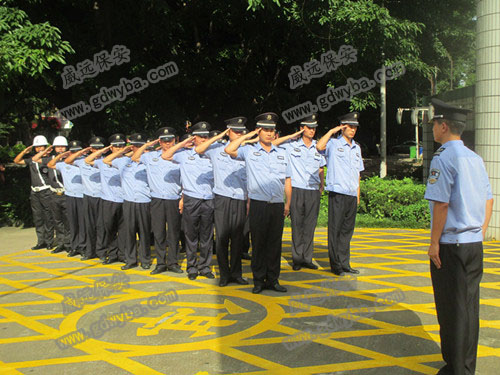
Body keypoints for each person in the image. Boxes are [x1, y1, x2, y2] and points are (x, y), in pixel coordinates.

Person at [424, 98, 493, 375]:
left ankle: (457, 368)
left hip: (451, 246)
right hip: (473, 244)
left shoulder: (443, 158)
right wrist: (480, 230)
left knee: (452, 308)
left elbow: (441, 204)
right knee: (468, 307)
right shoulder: (475, 158)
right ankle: (464, 365)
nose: (432, 129)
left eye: (433, 124)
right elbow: (489, 200)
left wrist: (433, 244)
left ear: (443, 126)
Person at [225, 112, 292, 294]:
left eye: (272, 130)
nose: (269, 133)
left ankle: (273, 279)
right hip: (258, 204)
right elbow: (229, 150)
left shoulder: (282, 154)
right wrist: (247, 136)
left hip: (277, 204)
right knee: (259, 243)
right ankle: (258, 280)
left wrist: (287, 204)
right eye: (265, 130)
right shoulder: (249, 150)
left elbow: (287, 180)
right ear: (259, 131)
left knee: (274, 244)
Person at [195, 117, 249, 287]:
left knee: (238, 239)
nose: (239, 134)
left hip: (240, 198)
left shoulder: (247, 150)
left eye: (241, 131)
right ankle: (224, 274)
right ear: (228, 131)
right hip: (222, 198)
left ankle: (236, 273)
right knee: (222, 238)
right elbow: (199, 149)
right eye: (235, 131)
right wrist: (219, 137)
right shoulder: (216, 149)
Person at [162, 122, 215, 280]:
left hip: (209, 199)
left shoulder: (213, 153)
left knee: (207, 236)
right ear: (194, 138)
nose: (204, 139)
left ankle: (205, 267)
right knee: (191, 236)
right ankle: (192, 267)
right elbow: (165, 155)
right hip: (192, 199)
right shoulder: (184, 154)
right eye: (200, 137)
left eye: (206, 136)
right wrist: (183, 143)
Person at [274, 114, 325, 271]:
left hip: (312, 190)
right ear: (302, 128)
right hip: (296, 189)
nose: (312, 130)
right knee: (297, 225)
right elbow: (274, 143)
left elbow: (321, 168)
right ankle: (297, 258)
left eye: (314, 128)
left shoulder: (318, 147)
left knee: (310, 225)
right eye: (309, 128)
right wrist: (291, 136)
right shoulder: (291, 146)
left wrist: (321, 185)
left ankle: (307, 258)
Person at [316, 112, 363, 276]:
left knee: (347, 231)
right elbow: (319, 147)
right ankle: (335, 265)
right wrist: (331, 131)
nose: (353, 130)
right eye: (349, 127)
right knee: (335, 230)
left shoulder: (357, 147)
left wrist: (357, 194)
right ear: (343, 127)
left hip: (351, 194)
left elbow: (358, 173)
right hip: (337, 193)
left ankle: (345, 263)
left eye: (355, 127)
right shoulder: (333, 144)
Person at [132, 127, 183, 275]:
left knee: (173, 233)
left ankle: (173, 262)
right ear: (159, 141)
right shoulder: (150, 156)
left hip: (174, 199)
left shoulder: (179, 156)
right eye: (164, 141)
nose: (167, 143)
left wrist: (183, 198)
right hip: (157, 200)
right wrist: (148, 145)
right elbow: (134, 157)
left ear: (175, 140)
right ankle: (161, 263)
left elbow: (185, 179)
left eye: (170, 140)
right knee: (159, 233)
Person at [104, 134, 152, 270]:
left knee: (144, 232)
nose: (137, 148)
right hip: (129, 201)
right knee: (129, 232)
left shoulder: (148, 161)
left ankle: (145, 259)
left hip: (144, 201)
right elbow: (106, 160)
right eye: (135, 146)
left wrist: (144, 149)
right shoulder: (123, 161)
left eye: (139, 146)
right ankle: (130, 260)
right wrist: (122, 150)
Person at [85, 134, 127, 264]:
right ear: (111, 147)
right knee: (109, 229)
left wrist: (124, 152)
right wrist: (103, 150)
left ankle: (123, 254)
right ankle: (112, 254)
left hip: (124, 200)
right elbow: (88, 160)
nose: (119, 148)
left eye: (121, 146)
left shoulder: (127, 160)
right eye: (115, 146)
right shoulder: (102, 162)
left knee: (124, 229)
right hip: (108, 201)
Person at [65, 137, 106, 260]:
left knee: (101, 226)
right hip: (87, 197)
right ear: (90, 148)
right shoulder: (82, 161)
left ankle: (102, 252)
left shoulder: (107, 161)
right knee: (89, 226)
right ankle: (90, 251)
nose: (97, 150)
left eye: (99, 148)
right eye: (94, 148)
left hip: (102, 197)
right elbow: (68, 161)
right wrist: (82, 151)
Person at [13, 135, 55, 250]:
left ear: (46, 147)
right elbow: (16, 161)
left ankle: (49, 241)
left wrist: (45, 152)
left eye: (41, 146)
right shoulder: (32, 159)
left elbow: (38, 159)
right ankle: (41, 241)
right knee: (38, 218)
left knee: (48, 217)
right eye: (37, 147)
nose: (39, 148)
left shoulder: (49, 158)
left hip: (46, 190)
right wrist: (24, 151)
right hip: (35, 192)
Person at [47, 141, 86, 257]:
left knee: (83, 223)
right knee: (72, 223)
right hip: (70, 196)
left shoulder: (84, 162)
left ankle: (83, 246)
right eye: (72, 151)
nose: (75, 153)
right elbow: (50, 164)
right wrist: (61, 155)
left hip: (82, 196)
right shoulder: (63, 163)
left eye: (77, 151)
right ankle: (74, 247)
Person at [33, 136, 71, 253]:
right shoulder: (50, 159)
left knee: (68, 220)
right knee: (57, 220)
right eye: (58, 147)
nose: (60, 149)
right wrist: (46, 150)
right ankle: (61, 243)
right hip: (54, 194)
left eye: (62, 147)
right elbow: (35, 158)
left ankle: (69, 243)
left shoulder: (70, 159)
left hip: (66, 193)